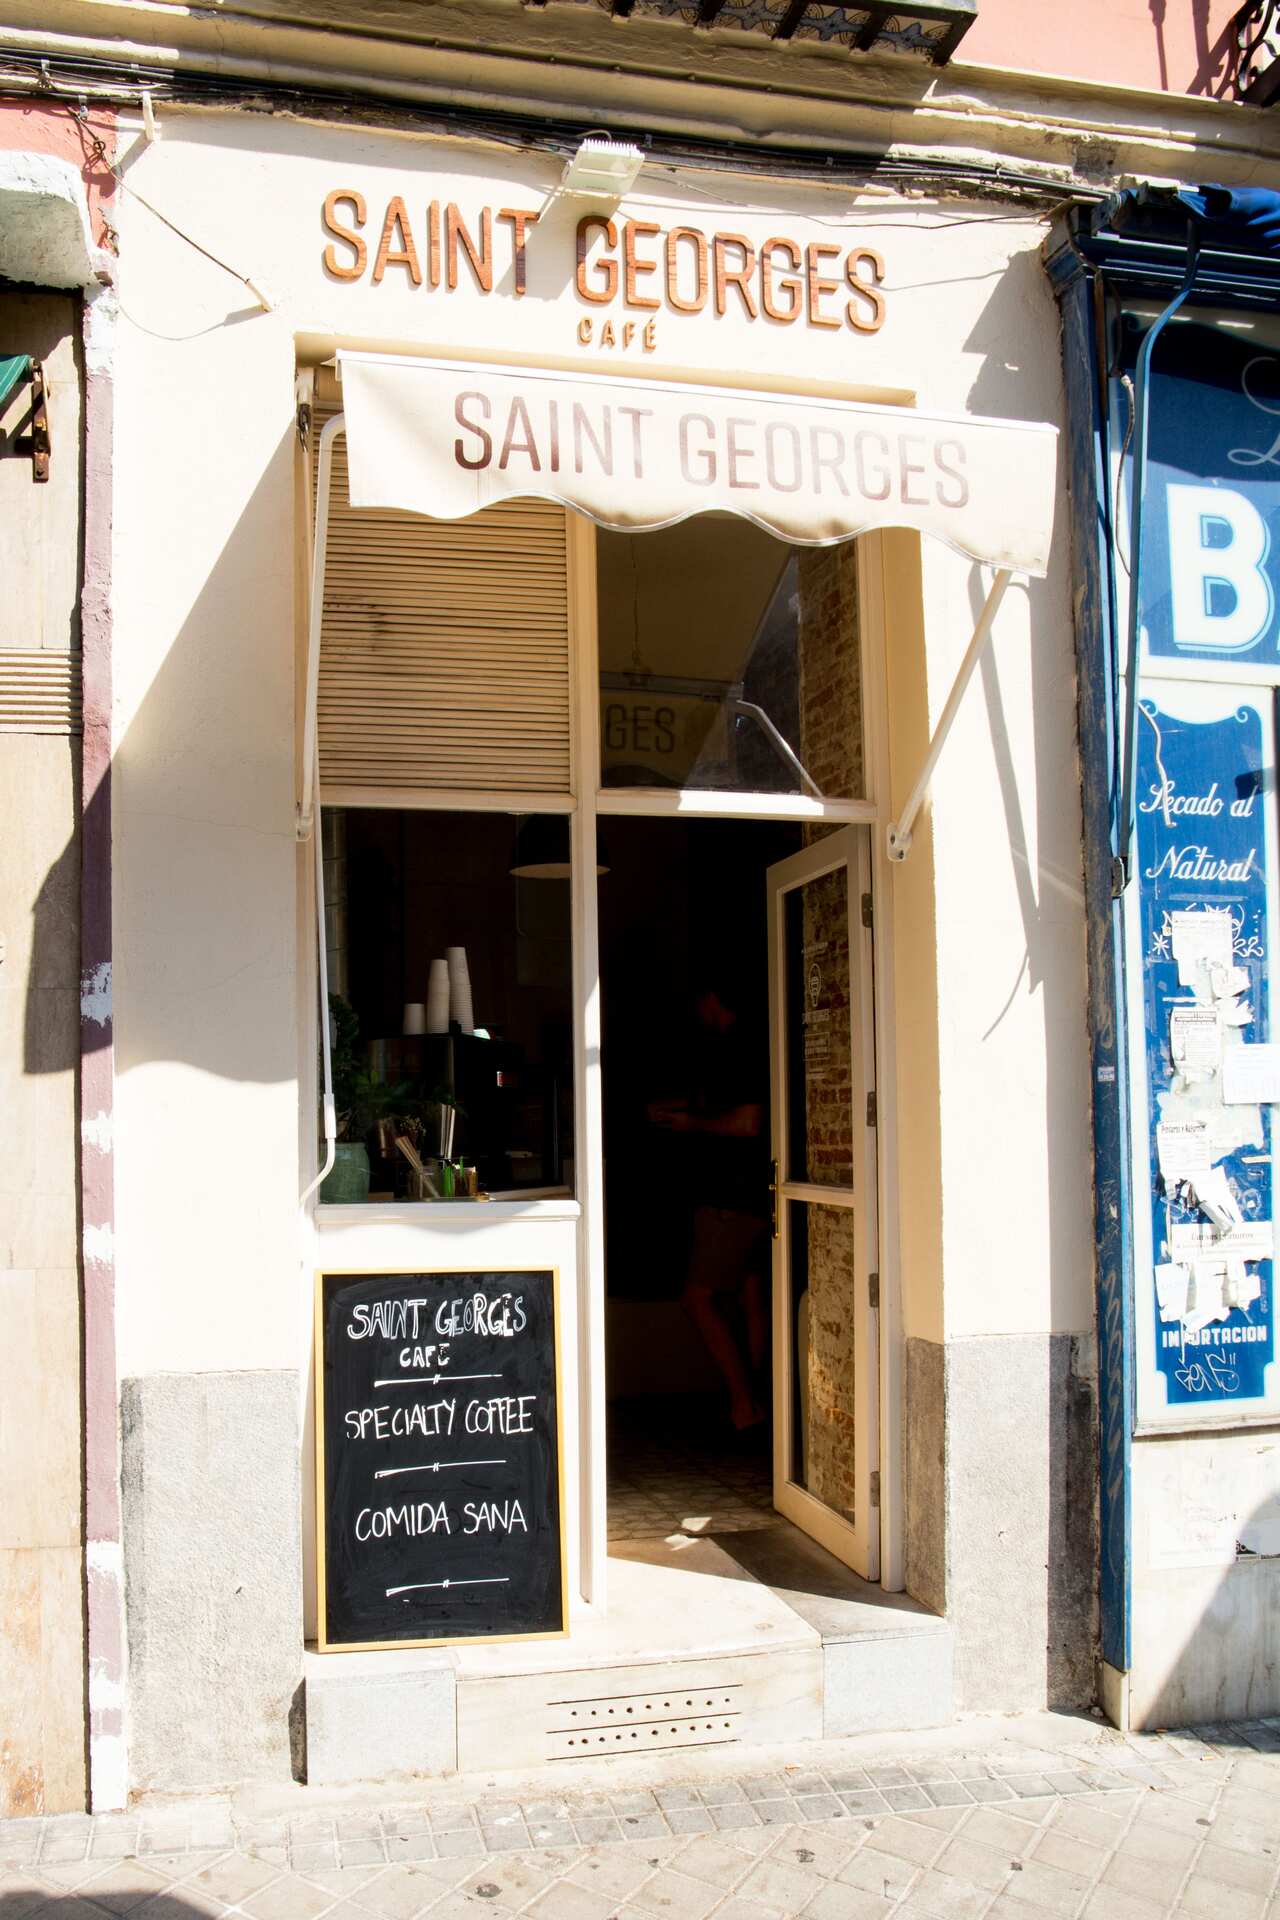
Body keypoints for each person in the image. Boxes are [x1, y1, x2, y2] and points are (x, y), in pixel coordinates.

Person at [648, 971, 770, 1431]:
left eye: (699, 1004)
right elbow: (726, 1107)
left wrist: (689, 1125)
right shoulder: (742, 1047)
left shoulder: (738, 1049)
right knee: (751, 1294)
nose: (697, 1014)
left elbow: (747, 1123)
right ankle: (759, 1404)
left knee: (696, 1298)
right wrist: (680, 1111)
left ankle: (744, 1404)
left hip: (730, 1199)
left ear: (712, 999)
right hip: (751, 1195)